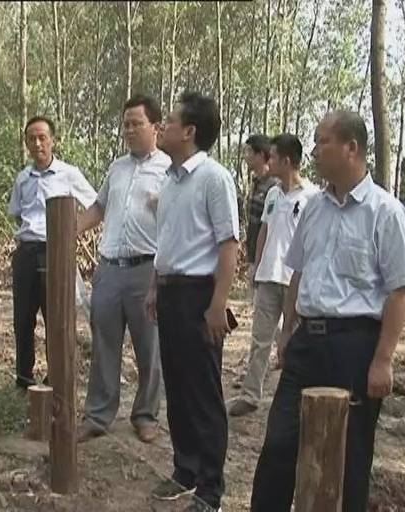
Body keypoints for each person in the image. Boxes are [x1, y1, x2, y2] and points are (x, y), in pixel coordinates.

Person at [250, 111, 405, 512]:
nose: (315, 150)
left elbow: (400, 291)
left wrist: (383, 360)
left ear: (351, 148)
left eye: (323, 141)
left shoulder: (385, 211)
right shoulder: (313, 209)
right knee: (278, 446)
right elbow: (298, 275)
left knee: (351, 458)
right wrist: (288, 333)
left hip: (356, 349)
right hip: (308, 343)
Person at [145, 91, 239, 512]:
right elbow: (166, 243)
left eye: (169, 120)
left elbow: (228, 245)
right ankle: (184, 469)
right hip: (169, 292)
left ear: (190, 131)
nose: (161, 126)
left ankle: (210, 489)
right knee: (177, 386)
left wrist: (218, 304)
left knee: (203, 392)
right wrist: (153, 287)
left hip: (200, 296)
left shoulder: (214, 178)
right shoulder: (170, 180)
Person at [75, 94, 170, 444]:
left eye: (136, 123)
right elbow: (98, 208)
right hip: (110, 268)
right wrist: (69, 230)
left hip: (148, 268)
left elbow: (177, 221)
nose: (129, 130)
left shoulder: (169, 170)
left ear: (156, 128)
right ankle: (98, 415)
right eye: (126, 124)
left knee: (150, 345)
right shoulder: (117, 168)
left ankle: (146, 415)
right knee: (104, 342)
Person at [228, 133, 318, 417]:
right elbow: (264, 229)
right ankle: (250, 395)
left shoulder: (312, 198)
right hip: (268, 276)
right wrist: (255, 263)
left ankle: (298, 397)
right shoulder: (273, 194)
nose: (271, 162)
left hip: (296, 279)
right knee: (260, 339)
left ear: (287, 161)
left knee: (295, 340)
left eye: (275, 157)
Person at [8, 116, 97, 390]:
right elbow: (16, 214)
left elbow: (95, 205)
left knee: (57, 317)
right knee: (23, 318)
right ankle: (24, 380)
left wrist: (71, 231)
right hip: (26, 253)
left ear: (53, 140)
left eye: (42, 137)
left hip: (56, 252)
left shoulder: (68, 174)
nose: (37, 144)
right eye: (31, 139)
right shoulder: (23, 178)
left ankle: (57, 379)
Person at [244, 134, 279, 275]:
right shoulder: (255, 184)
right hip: (254, 257)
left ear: (260, 155)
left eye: (249, 151)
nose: (245, 156)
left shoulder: (275, 186)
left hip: (269, 262)